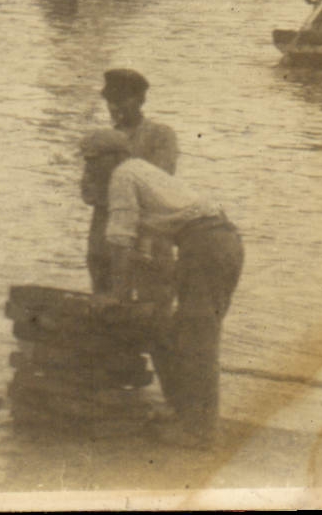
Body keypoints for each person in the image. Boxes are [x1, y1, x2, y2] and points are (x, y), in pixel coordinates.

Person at [79, 129, 244, 450]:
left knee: (198, 339)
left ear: (113, 158)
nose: (88, 169)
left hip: (207, 243)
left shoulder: (123, 175)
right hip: (216, 242)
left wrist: (117, 294)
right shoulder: (141, 170)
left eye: (92, 161)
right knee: (186, 331)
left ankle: (200, 432)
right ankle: (187, 415)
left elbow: (120, 240)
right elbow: (148, 240)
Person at [90, 69, 179, 294]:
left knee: (154, 303)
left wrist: (120, 151)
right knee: (104, 307)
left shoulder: (161, 135)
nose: (114, 107)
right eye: (110, 101)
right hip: (106, 238)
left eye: (121, 100)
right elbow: (89, 193)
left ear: (140, 100)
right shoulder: (101, 142)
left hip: (149, 237)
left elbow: (159, 181)